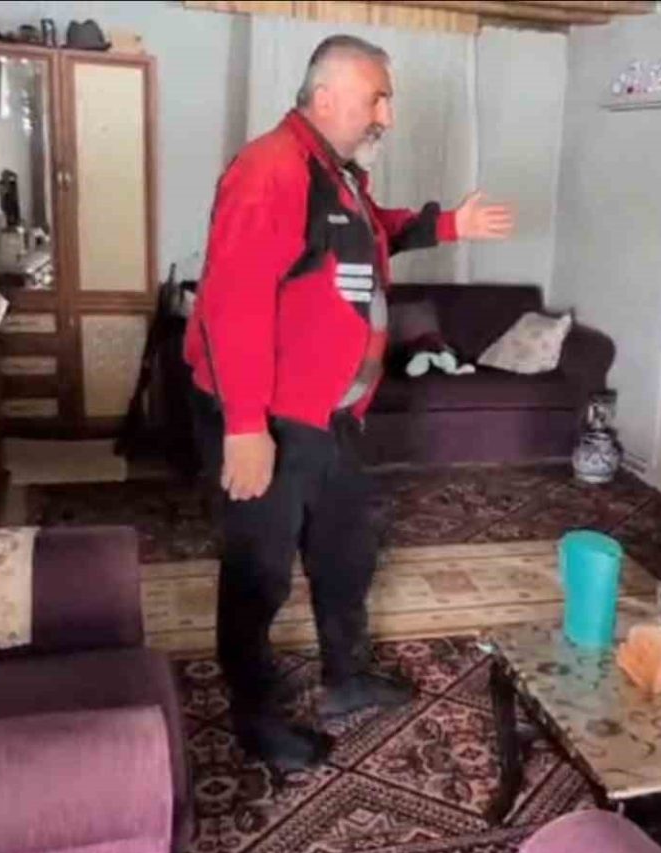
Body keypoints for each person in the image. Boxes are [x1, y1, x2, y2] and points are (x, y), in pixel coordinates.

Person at [184, 34, 513, 771]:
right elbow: (233, 306)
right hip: (269, 419)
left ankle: (346, 678)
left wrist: (447, 225)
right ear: (326, 97)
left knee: (345, 554)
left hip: (330, 418)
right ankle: (256, 720)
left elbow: (376, 231)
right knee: (258, 572)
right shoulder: (270, 169)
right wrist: (245, 428)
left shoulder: (333, 173)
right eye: (377, 99)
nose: (387, 116)